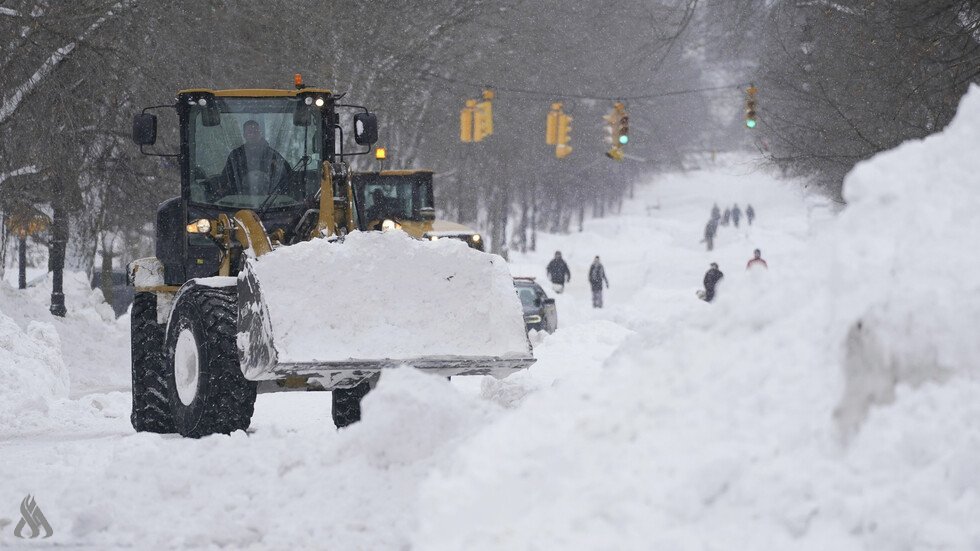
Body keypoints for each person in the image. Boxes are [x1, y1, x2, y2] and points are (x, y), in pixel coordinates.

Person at [221, 120, 291, 196]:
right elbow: (226, 178)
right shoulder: (236, 155)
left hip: (269, 201)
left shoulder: (272, 154)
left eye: (256, 132)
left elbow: (287, 174)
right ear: (244, 135)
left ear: (260, 134)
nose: (253, 135)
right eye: (250, 132)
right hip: (241, 201)